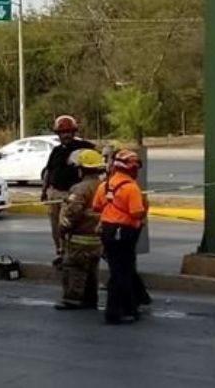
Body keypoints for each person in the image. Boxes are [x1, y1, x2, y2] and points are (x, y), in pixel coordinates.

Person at [93, 149, 150, 325]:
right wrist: (145, 206)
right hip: (124, 233)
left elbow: (96, 206)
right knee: (121, 273)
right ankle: (117, 312)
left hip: (108, 232)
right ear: (131, 169)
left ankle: (132, 304)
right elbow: (137, 213)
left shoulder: (105, 185)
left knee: (119, 270)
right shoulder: (132, 188)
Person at [41, 115, 95, 266]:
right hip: (54, 194)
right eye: (62, 132)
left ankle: (71, 255)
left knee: (68, 225)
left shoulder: (84, 147)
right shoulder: (56, 151)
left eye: (69, 132)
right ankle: (60, 252)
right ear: (57, 134)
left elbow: (97, 162)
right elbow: (48, 171)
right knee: (56, 228)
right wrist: (44, 191)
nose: (65, 135)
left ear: (74, 132)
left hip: (71, 195)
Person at [54, 149, 105, 311]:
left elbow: (73, 212)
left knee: (74, 268)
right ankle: (91, 299)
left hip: (79, 239)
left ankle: (72, 299)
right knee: (92, 271)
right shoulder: (103, 186)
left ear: (81, 169)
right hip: (97, 239)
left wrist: (62, 228)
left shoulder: (80, 189)